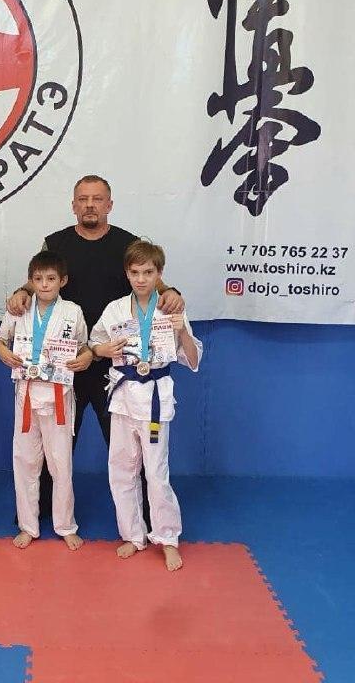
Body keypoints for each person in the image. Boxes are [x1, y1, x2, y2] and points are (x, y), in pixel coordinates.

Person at [7, 175, 184, 518]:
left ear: (109, 205)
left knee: (130, 447)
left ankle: (149, 513)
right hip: (65, 361)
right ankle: (38, 510)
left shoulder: (127, 242)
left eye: (97, 199)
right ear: (73, 205)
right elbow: (37, 277)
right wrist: (21, 292)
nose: (90, 205)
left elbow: (152, 279)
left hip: (114, 362)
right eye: (83, 199)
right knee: (54, 443)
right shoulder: (55, 242)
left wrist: (171, 292)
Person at [89, 240, 202, 570]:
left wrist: (182, 333)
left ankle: (167, 538)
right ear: (127, 273)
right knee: (121, 470)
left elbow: (193, 360)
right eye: (135, 272)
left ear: (159, 274)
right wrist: (103, 350)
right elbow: (94, 345)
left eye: (148, 272)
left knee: (155, 473)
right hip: (123, 398)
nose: (141, 279)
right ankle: (133, 535)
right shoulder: (114, 309)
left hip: (154, 399)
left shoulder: (171, 310)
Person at [0, 251, 90, 550]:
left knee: (61, 464)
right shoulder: (19, 308)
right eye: (38, 279)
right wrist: (3, 352)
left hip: (59, 395)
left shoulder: (73, 311)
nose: (45, 284)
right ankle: (28, 526)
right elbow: (0, 340)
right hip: (26, 394)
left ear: (63, 280)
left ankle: (66, 525)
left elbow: (84, 346)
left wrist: (86, 358)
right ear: (30, 281)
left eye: (51, 278)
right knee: (25, 462)